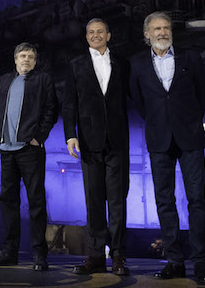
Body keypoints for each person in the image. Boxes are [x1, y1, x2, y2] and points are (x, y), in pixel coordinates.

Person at [129, 12, 205, 284]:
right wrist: (160, 122)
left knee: (197, 201)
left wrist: (186, 121)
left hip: (190, 137)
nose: (162, 32)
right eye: (156, 28)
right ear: (147, 34)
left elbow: (201, 96)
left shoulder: (191, 58)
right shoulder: (137, 63)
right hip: (159, 139)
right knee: (164, 202)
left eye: (166, 27)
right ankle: (175, 261)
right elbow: (140, 102)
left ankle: (201, 263)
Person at [62, 18, 131, 276]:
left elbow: (133, 98)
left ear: (109, 35)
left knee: (117, 201)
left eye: (100, 31)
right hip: (89, 142)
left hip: (117, 141)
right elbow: (69, 103)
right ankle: (94, 256)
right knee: (93, 201)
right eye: (91, 32)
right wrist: (71, 135)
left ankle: (118, 256)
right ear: (86, 37)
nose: (95, 35)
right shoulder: (75, 65)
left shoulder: (123, 64)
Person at [0, 43, 58, 271]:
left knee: (36, 202)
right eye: (22, 56)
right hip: (6, 150)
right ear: (15, 59)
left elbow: (51, 109)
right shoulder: (4, 80)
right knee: (8, 202)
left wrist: (38, 137)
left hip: (30, 149)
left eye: (30, 56)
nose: (26, 59)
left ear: (35, 61)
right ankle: (9, 252)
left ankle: (39, 254)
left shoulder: (43, 79)